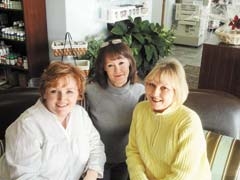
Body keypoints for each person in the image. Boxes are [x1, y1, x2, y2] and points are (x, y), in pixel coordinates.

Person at [0, 61, 106, 180]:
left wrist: (92, 172)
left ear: (78, 94)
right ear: (44, 93)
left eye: (69, 91)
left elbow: (96, 146)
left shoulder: (79, 114)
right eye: (54, 91)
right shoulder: (26, 126)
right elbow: (25, 177)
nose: (62, 99)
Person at [126, 57, 211, 180]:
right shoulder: (140, 110)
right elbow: (133, 151)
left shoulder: (189, 121)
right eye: (152, 85)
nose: (155, 93)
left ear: (176, 91)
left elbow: (182, 175)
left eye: (164, 88)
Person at [86, 39, 145, 180]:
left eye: (121, 63)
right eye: (110, 65)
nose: (117, 70)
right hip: (98, 160)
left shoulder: (141, 92)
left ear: (130, 62)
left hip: (126, 159)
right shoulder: (90, 91)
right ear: (104, 68)